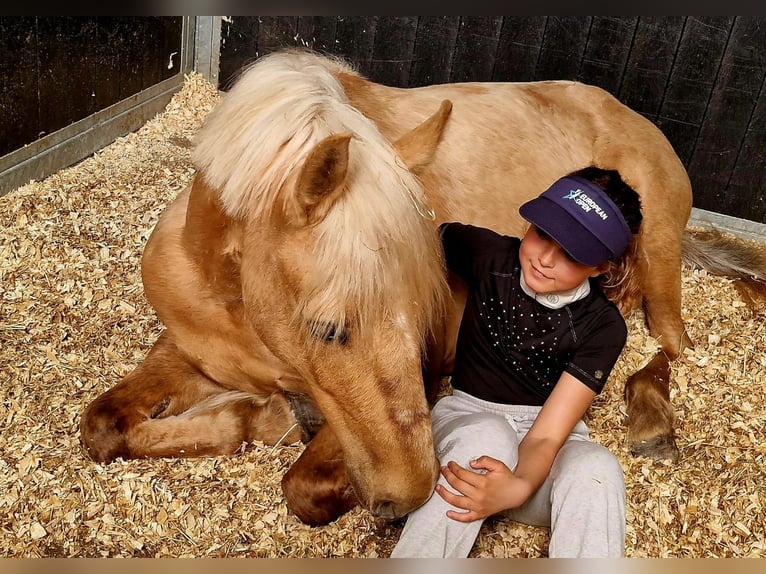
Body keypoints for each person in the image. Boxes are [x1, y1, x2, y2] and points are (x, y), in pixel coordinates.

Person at [390, 166, 642, 558]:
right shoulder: (489, 255)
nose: (544, 258)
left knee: (598, 467)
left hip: (544, 447)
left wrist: (519, 486)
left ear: (601, 267)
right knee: (488, 435)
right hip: (469, 422)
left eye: (572, 254)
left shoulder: (604, 326)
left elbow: (545, 436)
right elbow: (417, 236)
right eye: (543, 233)